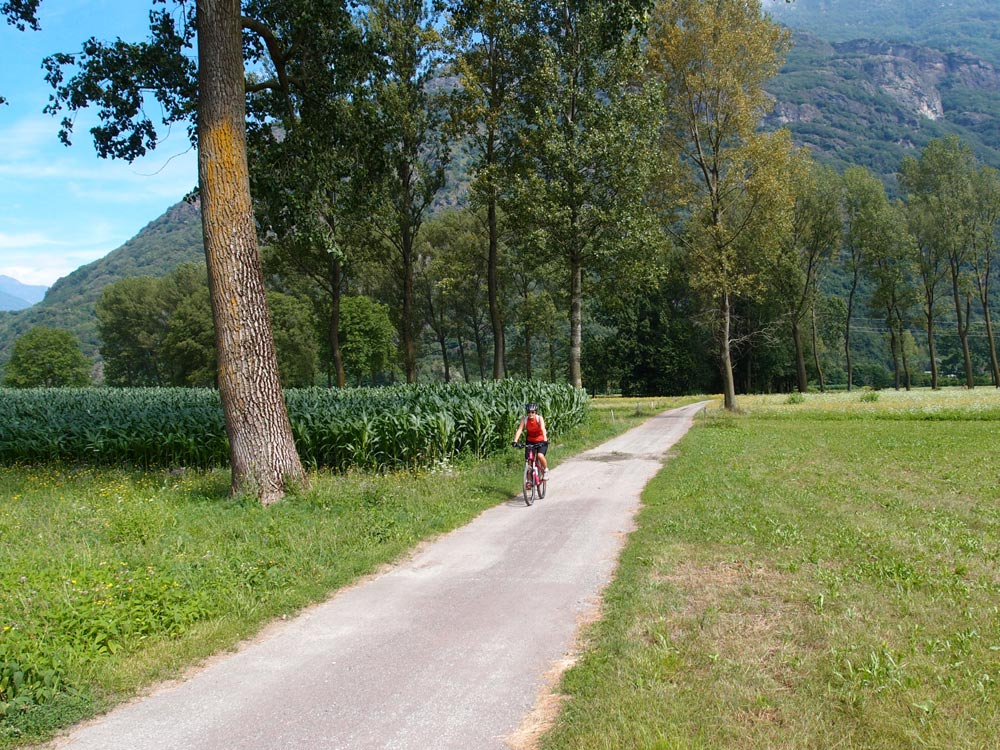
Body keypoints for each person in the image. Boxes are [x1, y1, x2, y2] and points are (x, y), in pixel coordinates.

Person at [512, 402, 549, 480]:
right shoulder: (524, 420)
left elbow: (543, 429)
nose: (530, 414)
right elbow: (519, 430)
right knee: (529, 460)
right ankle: (528, 480)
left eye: (532, 412)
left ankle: (545, 470)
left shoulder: (539, 418)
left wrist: (545, 440)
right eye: (529, 412)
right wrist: (515, 441)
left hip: (541, 440)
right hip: (530, 441)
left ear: (535, 412)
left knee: (540, 455)